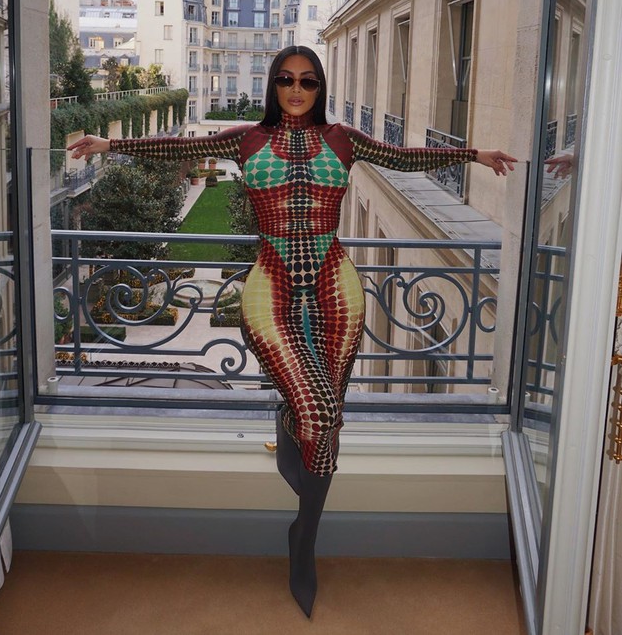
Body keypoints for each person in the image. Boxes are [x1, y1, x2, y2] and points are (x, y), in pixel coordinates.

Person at [69, 45, 516, 617]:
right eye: (286, 79)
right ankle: (295, 469)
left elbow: (404, 156)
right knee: (317, 410)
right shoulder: (247, 139)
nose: (297, 89)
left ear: (320, 87)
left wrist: (475, 154)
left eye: (308, 80)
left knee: (328, 415)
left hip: (335, 286)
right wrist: (110, 145)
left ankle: (304, 537)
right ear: (274, 86)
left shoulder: (343, 139)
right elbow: (179, 147)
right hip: (272, 284)